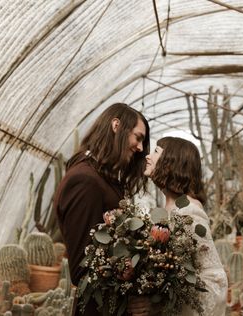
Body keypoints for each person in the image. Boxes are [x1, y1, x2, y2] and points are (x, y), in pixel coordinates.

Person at [53, 103, 150, 316]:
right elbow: (82, 268)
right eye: (138, 137)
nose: (141, 148)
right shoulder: (84, 180)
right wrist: (133, 273)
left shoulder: (101, 177)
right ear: (116, 125)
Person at [129, 136, 228, 316]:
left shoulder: (188, 212)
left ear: (171, 162)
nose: (148, 157)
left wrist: (158, 305)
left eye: (156, 152)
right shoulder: (172, 208)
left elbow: (214, 278)